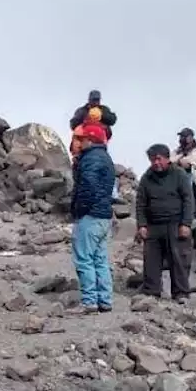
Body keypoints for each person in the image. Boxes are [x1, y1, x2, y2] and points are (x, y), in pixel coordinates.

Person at [135, 144, 195, 302]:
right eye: (152, 160)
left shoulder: (179, 174)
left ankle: (181, 293)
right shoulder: (147, 177)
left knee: (179, 259)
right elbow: (140, 203)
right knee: (151, 260)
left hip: (175, 223)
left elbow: (188, 200)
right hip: (154, 225)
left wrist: (186, 223)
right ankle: (151, 292)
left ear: (167, 159)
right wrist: (141, 225)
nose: (156, 163)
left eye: (159, 159)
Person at [69, 123, 116, 314]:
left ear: (91, 140)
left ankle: (89, 301)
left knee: (84, 258)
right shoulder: (105, 157)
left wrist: (80, 208)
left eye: (83, 139)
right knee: (100, 259)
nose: (80, 143)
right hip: (104, 215)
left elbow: (87, 185)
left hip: (90, 215)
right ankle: (105, 300)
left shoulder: (90, 159)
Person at [173, 127, 196, 220]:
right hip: (181, 182)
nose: (181, 139)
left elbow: (187, 163)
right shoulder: (178, 150)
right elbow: (170, 160)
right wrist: (179, 159)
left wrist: (178, 160)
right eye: (180, 137)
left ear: (190, 138)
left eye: (183, 137)